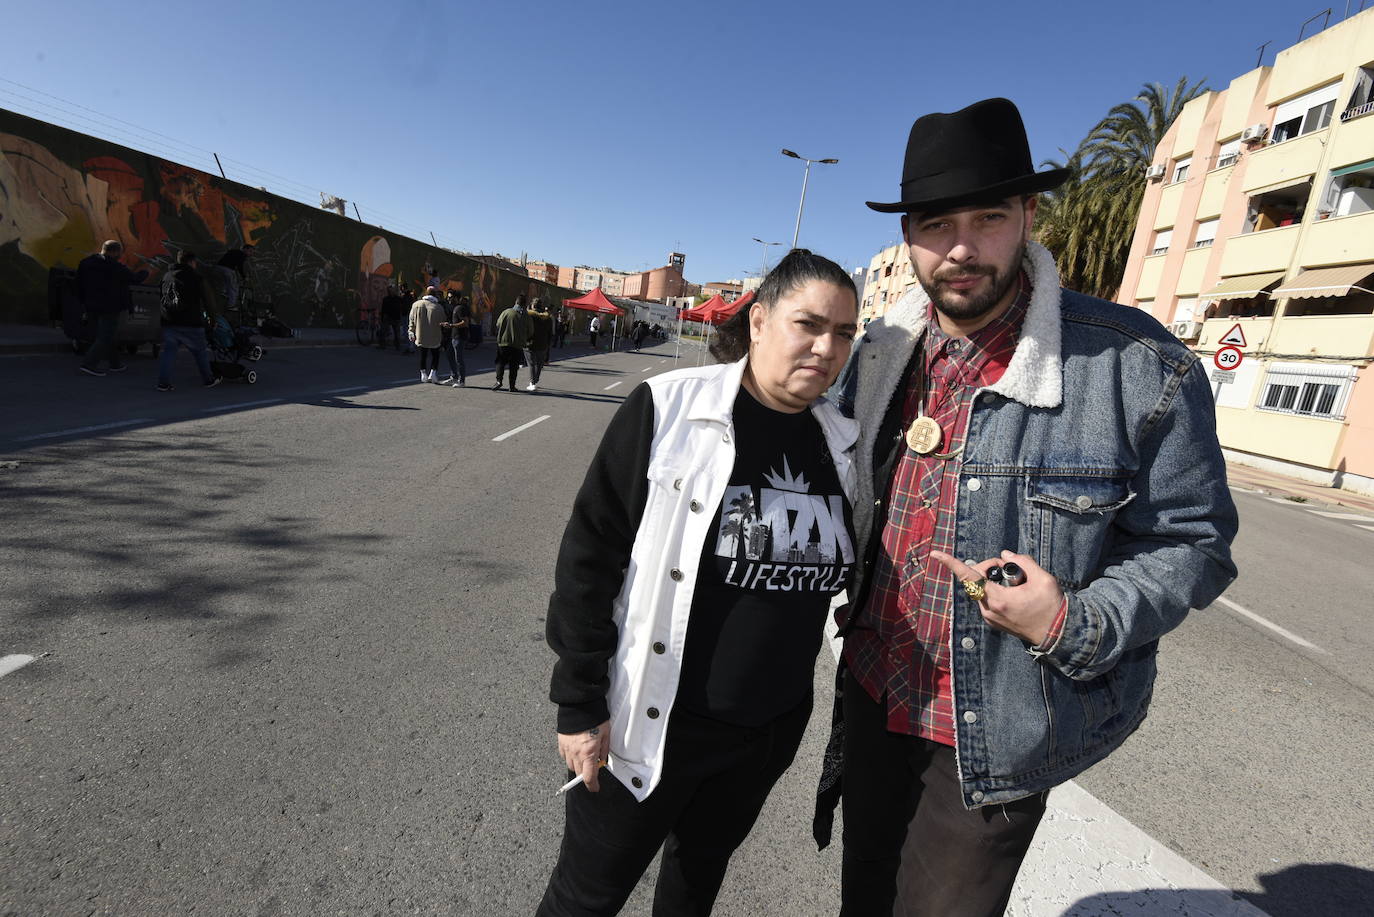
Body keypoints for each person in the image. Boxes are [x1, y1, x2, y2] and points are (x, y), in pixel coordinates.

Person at [818, 97, 1239, 917]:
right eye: (937, 224)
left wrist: (1066, 622)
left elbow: (1195, 541)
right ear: (908, 236)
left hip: (995, 725)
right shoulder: (878, 354)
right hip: (872, 693)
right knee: (862, 900)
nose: (962, 247)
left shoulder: (1134, 365)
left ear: (1030, 216)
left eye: (989, 216)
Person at [539, 249, 860, 917]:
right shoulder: (669, 408)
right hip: (649, 726)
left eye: (845, 333)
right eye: (809, 324)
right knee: (584, 899)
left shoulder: (842, 443)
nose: (827, 347)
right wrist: (578, 703)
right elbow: (588, 559)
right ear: (762, 320)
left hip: (763, 736)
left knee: (695, 887)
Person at [76, 240, 149, 377]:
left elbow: (78, 283)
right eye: (119, 252)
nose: (120, 255)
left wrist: (82, 302)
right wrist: (145, 272)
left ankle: (115, 363)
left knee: (108, 335)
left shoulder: (86, 263)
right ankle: (89, 364)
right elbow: (134, 279)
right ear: (114, 252)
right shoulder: (114, 266)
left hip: (91, 304)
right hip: (109, 306)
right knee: (106, 335)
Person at [156, 250, 220, 392]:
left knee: (169, 353)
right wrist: (213, 320)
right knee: (200, 352)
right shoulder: (196, 278)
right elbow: (209, 302)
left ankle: (163, 383)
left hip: (169, 321)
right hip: (191, 322)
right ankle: (208, 380)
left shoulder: (166, 276)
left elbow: (161, 297)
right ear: (192, 262)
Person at [494, 294, 533, 392]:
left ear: (516, 302)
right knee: (514, 366)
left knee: (500, 362)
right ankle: (512, 386)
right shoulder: (526, 316)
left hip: (503, 343)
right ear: (524, 304)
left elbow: (498, 324)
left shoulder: (506, 312)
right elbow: (531, 331)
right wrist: (524, 338)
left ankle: (499, 381)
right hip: (518, 345)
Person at [408, 287, 445, 383]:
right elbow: (443, 323)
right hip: (435, 336)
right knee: (435, 355)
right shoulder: (439, 307)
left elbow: (411, 319)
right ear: (435, 295)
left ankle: (423, 374)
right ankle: (432, 374)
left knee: (423, 355)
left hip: (421, 335)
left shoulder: (416, 304)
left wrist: (411, 331)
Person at [439, 290, 468, 386]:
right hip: (454, 336)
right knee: (449, 354)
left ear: (456, 298)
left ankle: (461, 381)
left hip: (459, 337)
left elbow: (465, 322)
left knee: (459, 359)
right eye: (448, 297)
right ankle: (454, 377)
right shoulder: (455, 307)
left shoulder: (460, 308)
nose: (448, 299)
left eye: (450, 297)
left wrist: (451, 325)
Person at [525, 298, 553, 391]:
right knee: (539, 364)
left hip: (530, 342)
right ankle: (535, 380)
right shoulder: (548, 317)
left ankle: (532, 383)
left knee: (532, 363)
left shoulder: (529, 315)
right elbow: (550, 332)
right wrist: (548, 343)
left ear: (533, 306)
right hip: (543, 343)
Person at [215, 244, 253, 309]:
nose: (251, 253)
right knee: (234, 288)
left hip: (218, 268)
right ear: (245, 249)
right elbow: (240, 267)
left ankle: (224, 291)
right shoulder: (242, 255)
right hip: (227, 269)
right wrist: (244, 277)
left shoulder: (234, 251)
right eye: (250, 251)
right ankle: (231, 305)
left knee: (226, 281)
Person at [379, 285, 406, 351]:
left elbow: (402, 306)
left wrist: (402, 314)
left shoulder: (398, 299)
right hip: (388, 317)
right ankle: (383, 345)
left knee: (397, 333)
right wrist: (382, 317)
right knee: (383, 331)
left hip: (396, 317)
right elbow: (383, 309)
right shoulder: (386, 299)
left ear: (394, 291)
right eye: (389, 290)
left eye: (391, 290)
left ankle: (397, 346)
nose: (390, 292)